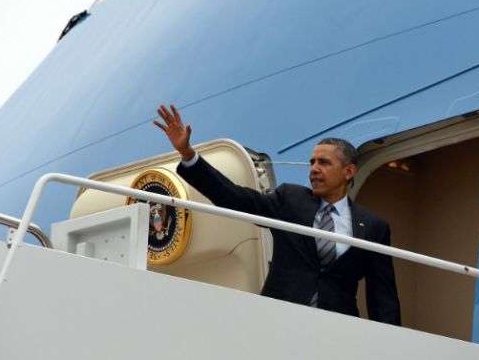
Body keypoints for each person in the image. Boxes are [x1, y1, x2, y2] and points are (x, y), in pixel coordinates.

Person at [154, 104, 401, 325]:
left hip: (337, 331)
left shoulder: (373, 226)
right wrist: (188, 155)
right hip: (278, 322)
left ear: (349, 171)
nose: (314, 169)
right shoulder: (290, 199)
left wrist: (392, 345)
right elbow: (233, 197)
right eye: (312, 162)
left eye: (324, 163)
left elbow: (383, 296)